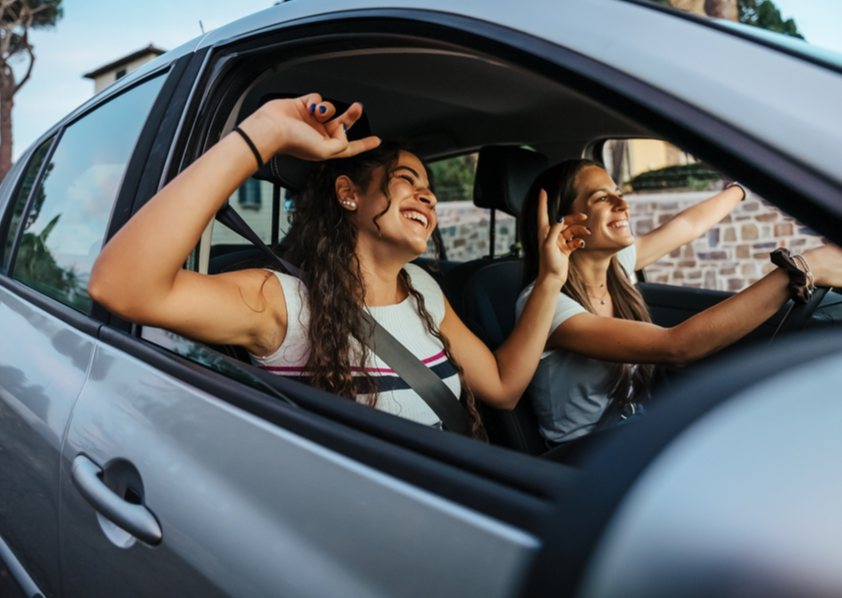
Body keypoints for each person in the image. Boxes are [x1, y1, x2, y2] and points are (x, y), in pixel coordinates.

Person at [88, 94, 590, 440]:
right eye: (406, 179)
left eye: (430, 187)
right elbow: (121, 287)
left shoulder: (422, 289)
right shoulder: (279, 301)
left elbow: (502, 390)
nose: (429, 194)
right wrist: (262, 134)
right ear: (349, 195)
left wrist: (549, 280)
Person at [517, 158, 842, 446]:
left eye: (619, 192)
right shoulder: (547, 303)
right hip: (583, 454)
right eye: (602, 198)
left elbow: (688, 225)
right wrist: (798, 271)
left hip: (633, 426)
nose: (622, 203)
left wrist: (744, 188)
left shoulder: (618, 265)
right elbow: (678, 346)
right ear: (562, 223)